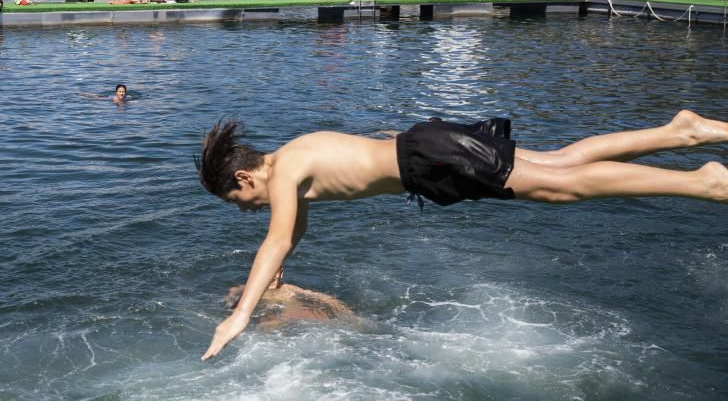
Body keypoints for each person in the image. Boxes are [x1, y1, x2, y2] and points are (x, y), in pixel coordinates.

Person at [196, 111, 728, 360]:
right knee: (561, 164)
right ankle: (679, 132)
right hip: (427, 150)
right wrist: (277, 267)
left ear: (244, 177)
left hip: (429, 159)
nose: (247, 210)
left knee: (560, 188)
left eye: (238, 201)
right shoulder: (294, 155)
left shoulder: (285, 170)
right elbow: (291, 233)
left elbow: (276, 238)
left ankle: (701, 183)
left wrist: (240, 314)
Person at [223, 268, 357, 330]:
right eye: (269, 273)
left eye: (276, 273)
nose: (273, 277)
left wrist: (344, 310)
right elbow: (233, 295)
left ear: (281, 273)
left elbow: (318, 296)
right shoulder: (251, 288)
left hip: (293, 316)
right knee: (269, 323)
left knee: (324, 319)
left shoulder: (288, 288)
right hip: (271, 316)